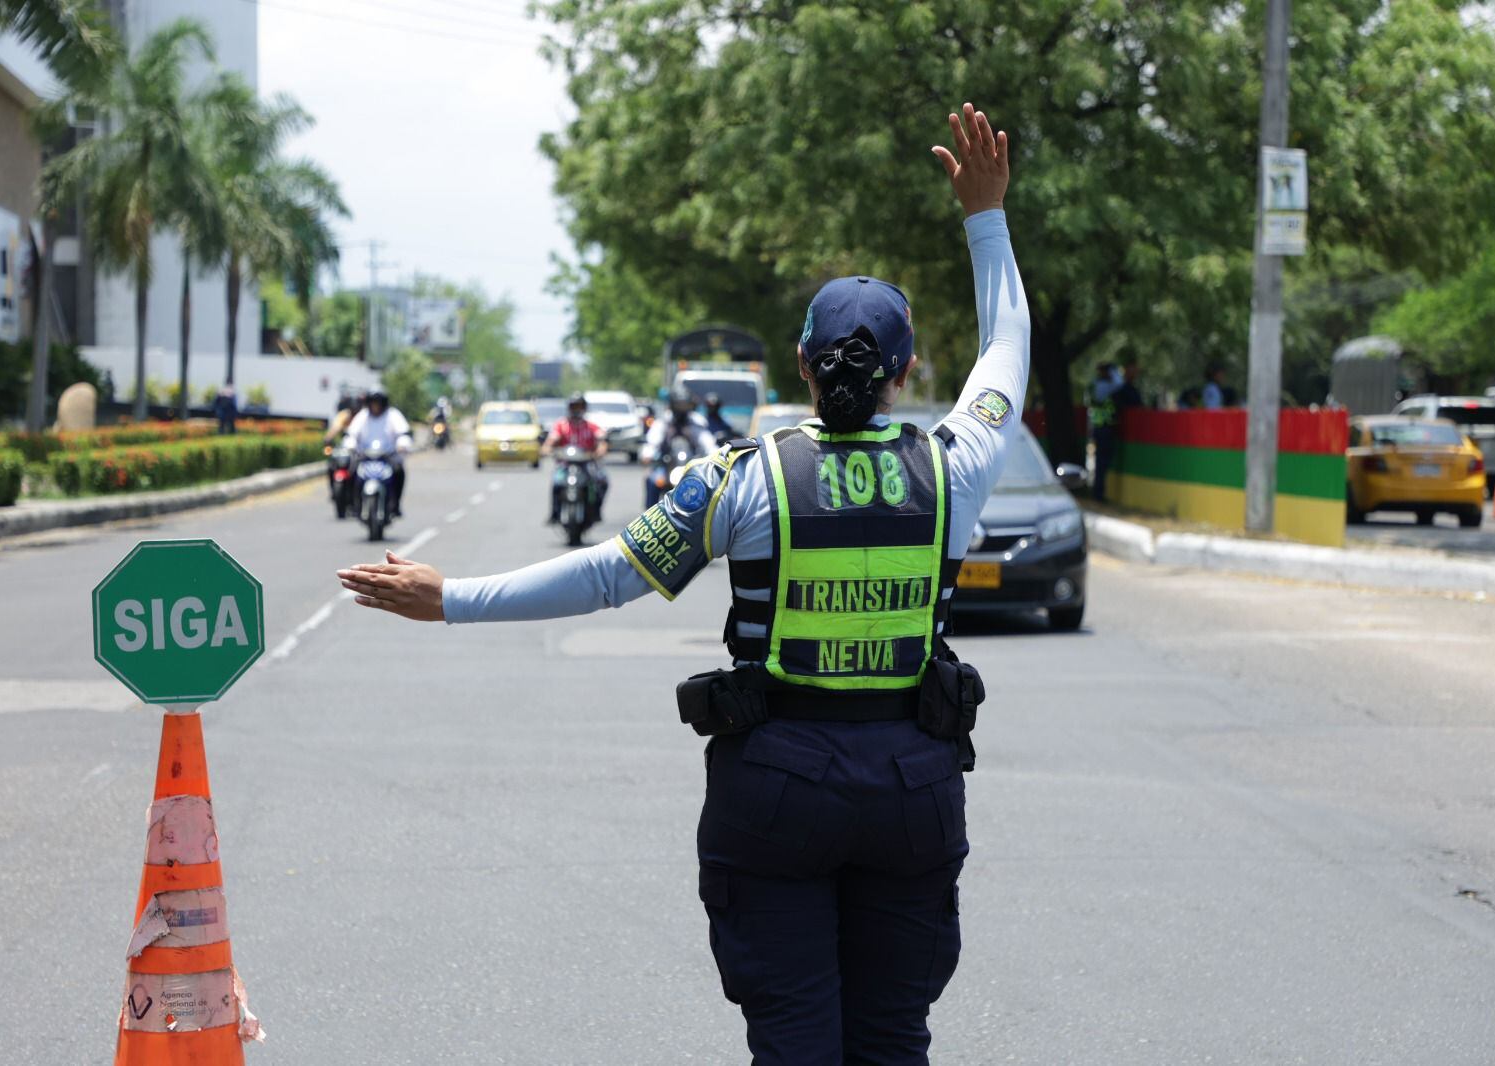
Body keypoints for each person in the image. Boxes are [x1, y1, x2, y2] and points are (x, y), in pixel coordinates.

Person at [336, 101, 1025, 1064]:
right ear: (906, 373)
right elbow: (1005, 353)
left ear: (799, 366)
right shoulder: (957, 468)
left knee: (793, 1042)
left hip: (776, 790)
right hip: (913, 791)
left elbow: (609, 576)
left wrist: (450, 596)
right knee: (892, 1040)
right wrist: (985, 217)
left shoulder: (741, 478)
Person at [542, 393, 609, 524]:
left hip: (586, 464)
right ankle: (555, 513)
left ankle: (596, 511)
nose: (576, 409)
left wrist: (601, 450)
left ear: (584, 408)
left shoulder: (591, 426)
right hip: (565, 464)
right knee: (556, 483)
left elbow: (602, 440)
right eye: (574, 406)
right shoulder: (561, 425)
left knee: (602, 482)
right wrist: (547, 448)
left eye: (579, 406)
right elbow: (551, 441)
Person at [345, 388, 413, 517]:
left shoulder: (393, 415)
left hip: (387, 457)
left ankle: (395, 504)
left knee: (399, 471)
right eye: (373, 402)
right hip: (365, 456)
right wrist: (350, 444)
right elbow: (352, 433)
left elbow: (403, 433)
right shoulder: (363, 416)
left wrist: (402, 444)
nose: (375, 406)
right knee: (351, 472)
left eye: (378, 402)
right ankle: (354, 504)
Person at [1093, 359, 1143, 501]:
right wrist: (1116, 373)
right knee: (1101, 463)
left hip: (1106, 428)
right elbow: (1119, 384)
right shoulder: (1102, 386)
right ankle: (1098, 494)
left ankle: (1099, 492)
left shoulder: (1107, 385)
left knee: (1103, 463)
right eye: (1108, 370)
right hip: (1103, 428)